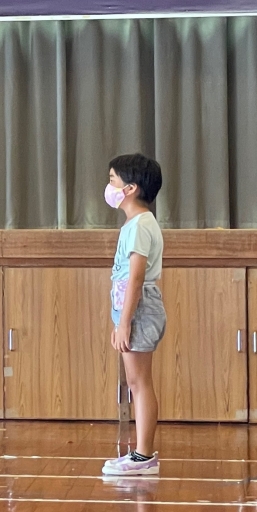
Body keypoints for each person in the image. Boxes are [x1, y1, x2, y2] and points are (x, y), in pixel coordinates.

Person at [102, 153, 165, 477]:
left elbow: (136, 278)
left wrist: (125, 322)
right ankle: (141, 454)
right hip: (132, 310)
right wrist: (119, 320)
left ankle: (144, 456)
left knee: (139, 383)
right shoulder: (135, 223)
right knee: (136, 382)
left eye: (113, 180)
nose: (109, 186)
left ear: (130, 188)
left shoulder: (140, 225)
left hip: (139, 310)